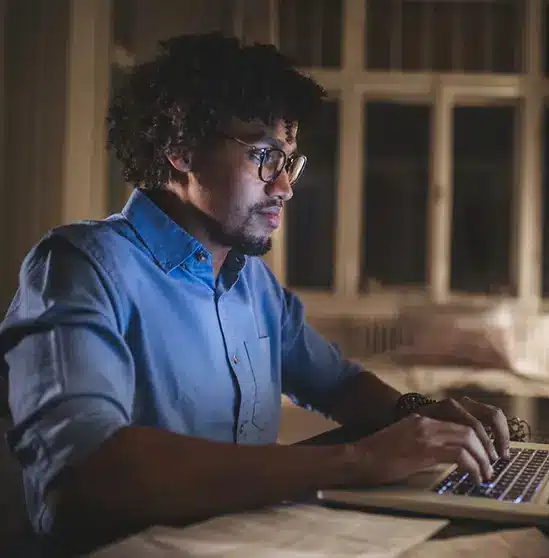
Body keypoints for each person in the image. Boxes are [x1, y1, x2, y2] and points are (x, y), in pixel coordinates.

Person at [0, 32, 510, 546]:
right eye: (264, 155)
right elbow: (90, 469)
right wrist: (356, 461)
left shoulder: (253, 285)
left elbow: (337, 383)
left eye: (288, 160)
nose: (284, 186)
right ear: (182, 147)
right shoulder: (80, 266)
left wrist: (419, 415)